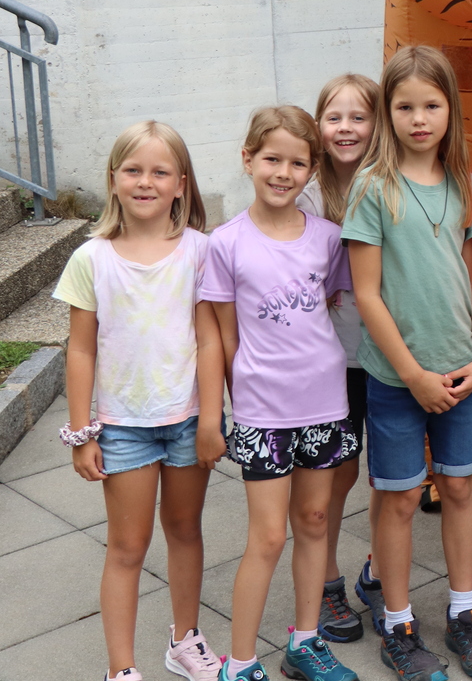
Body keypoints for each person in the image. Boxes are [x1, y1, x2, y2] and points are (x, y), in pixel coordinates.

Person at [344, 46, 472, 680]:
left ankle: (464, 613)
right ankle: (398, 621)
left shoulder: (464, 184)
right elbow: (366, 294)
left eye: (431, 105)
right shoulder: (372, 188)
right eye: (405, 106)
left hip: (462, 372)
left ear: (450, 110)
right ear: (387, 112)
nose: (418, 119)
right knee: (402, 498)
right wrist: (412, 374)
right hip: (396, 378)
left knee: (461, 488)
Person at [57, 121, 222, 681]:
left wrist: (211, 420)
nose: (145, 182)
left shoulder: (200, 252)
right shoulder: (91, 259)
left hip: (187, 421)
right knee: (127, 547)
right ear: (113, 179)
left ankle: (185, 641)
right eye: (133, 170)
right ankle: (121, 669)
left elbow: (209, 341)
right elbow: (81, 350)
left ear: (181, 184)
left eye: (159, 172)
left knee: (186, 531)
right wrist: (81, 432)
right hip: (122, 427)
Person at [200, 106, 359, 681]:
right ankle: (240, 663)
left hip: (325, 404)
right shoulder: (224, 243)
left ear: (312, 170)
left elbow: (338, 308)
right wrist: (222, 412)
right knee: (267, 537)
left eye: (297, 163)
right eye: (272, 159)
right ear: (248, 160)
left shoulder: (329, 239)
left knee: (314, 519)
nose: (283, 173)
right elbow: (223, 338)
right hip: (263, 413)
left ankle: (305, 643)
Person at [297, 73, 381, 646]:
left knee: (393, 475)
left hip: (388, 354)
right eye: (335, 117)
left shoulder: (390, 185)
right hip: (331, 362)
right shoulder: (305, 194)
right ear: (318, 125)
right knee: (335, 475)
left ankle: (379, 570)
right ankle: (326, 582)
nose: (346, 128)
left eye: (359, 117)